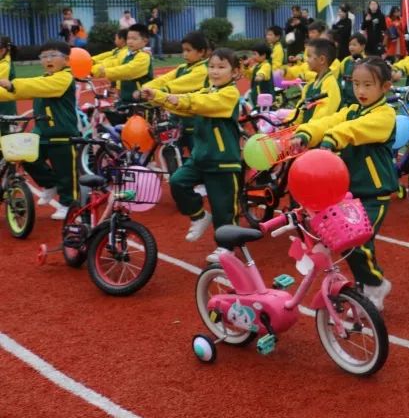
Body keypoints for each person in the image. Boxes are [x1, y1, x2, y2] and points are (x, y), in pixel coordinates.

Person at [293, 56, 397, 310]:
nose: (360, 91)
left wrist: (330, 140)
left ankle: (375, 284)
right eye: (356, 84)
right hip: (349, 193)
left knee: (359, 242)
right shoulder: (352, 110)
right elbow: (330, 121)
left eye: (368, 85)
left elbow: (353, 130)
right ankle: (365, 286)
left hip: (376, 192)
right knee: (347, 243)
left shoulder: (385, 114)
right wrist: (307, 132)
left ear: (384, 87)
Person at [145, 49, 243, 250]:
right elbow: (186, 105)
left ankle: (226, 248)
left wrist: (171, 98)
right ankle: (198, 215)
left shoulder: (230, 93)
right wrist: (159, 97)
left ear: (234, 72)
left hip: (222, 160)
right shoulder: (207, 90)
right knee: (178, 181)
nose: (215, 71)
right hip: (201, 156)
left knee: (223, 209)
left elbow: (199, 104)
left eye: (221, 67)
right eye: (212, 66)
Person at [0, 41, 79, 219]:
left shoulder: (64, 77)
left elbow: (36, 86)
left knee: (66, 174)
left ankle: (69, 206)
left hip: (62, 133)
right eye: (43, 56)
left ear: (66, 59)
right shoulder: (45, 78)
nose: (47, 59)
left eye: (52, 55)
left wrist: (12, 84)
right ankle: (50, 184)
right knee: (25, 156)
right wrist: (9, 89)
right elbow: (19, 93)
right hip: (41, 131)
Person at [92, 23, 153, 112]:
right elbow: (113, 62)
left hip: (141, 103)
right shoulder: (128, 55)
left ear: (145, 41)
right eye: (128, 38)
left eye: (134, 39)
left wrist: (105, 72)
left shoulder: (144, 57)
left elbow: (128, 70)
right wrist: (92, 68)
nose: (130, 41)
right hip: (125, 99)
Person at [294, 38, 341, 124]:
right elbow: (301, 108)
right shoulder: (310, 85)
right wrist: (291, 122)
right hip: (304, 133)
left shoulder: (330, 84)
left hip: (317, 135)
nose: (306, 59)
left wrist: (306, 129)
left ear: (322, 60)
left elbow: (323, 116)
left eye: (309, 56)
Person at [242, 43, 274, 108]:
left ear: (263, 55)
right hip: (258, 95)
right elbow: (250, 76)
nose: (253, 56)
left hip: (264, 97)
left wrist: (260, 76)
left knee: (264, 114)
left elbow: (263, 72)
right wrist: (246, 66)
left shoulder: (266, 65)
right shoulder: (257, 65)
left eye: (255, 54)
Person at [0, 37, 14, 123]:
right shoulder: (5, 59)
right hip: (5, 99)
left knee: (6, 127)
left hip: (4, 102)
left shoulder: (5, 64)